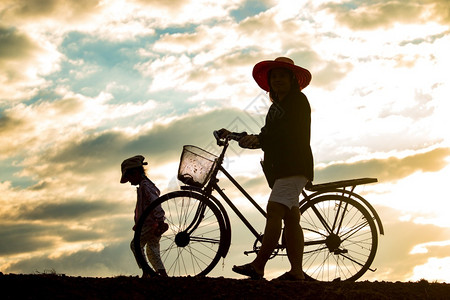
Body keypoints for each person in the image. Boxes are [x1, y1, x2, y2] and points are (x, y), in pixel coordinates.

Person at [220, 57, 314, 281]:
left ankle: (259, 265)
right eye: (275, 76)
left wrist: (258, 139)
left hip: (294, 165)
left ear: (292, 80)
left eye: (283, 75)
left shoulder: (297, 101)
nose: (278, 79)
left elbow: (283, 134)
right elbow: (267, 135)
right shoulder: (277, 107)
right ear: (270, 82)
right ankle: (297, 273)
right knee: (291, 219)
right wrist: (242, 137)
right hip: (284, 167)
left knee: (274, 210)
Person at [120, 155, 169, 278]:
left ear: (135, 173)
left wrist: (159, 219)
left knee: (135, 245)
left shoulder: (145, 187)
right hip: (153, 222)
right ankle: (161, 273)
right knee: (152, 248)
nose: (130, 182)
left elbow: (154, 203)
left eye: (129, 178)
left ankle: (146, 271)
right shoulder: (146, 185)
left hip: (150, 223)